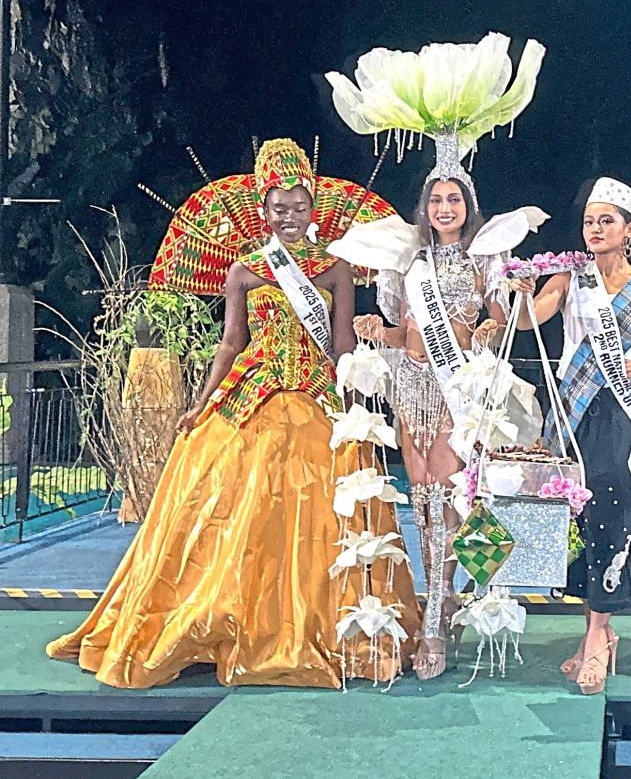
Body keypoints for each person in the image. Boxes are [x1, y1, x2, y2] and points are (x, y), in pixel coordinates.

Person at [47, 138, 419, 688]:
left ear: (313, 206)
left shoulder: (336, 269)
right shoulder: (245, 270)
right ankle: (229, 619)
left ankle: (319, 626)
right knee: (219, 494)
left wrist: (358, 397)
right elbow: (230, 343)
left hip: (315, 393)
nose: (289, 217)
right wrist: (199, 404)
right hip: (251, 390)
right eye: (278, 207)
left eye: (298, 206)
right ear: (263, 210)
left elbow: (340, 343)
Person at [514, 176, 631, 695]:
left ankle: (599, 635)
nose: (595, 229)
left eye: (607, 221)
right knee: (576, 516)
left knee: (614, 510)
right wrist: (522, 291)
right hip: (573, 414)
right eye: (589, 221)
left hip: (621, 415)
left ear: (629, 230)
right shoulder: (570, 278)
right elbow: (534, 320)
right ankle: (594, 631)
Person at [353, 160, 507, 681]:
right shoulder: (406, 261)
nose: (445, 209)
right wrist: (379, 331)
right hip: (412, 386)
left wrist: (487, 329)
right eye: (437, 200)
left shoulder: (485, 257)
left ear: (469, 206)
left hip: (460, 387)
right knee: (423, 503)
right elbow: (403, 333)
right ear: (425, 208)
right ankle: (441, 599)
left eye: (454, 200)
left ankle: (440, 617)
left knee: (455, 500)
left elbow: (499, 319)